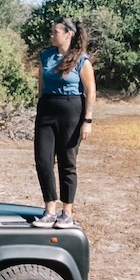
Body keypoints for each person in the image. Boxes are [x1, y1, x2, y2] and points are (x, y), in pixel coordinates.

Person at [32, 18, 95, 228]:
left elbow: (90, 91)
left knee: (67, 162)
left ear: (68, 34)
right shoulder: (45, 57)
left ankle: (67, 212)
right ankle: (49, 210)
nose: (52, 35)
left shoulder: (81, 60)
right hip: (47, 110)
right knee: (43, 160)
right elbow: (41, 86)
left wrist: (87, 120)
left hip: (71, 111)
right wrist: (42, 108)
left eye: (55, 32)